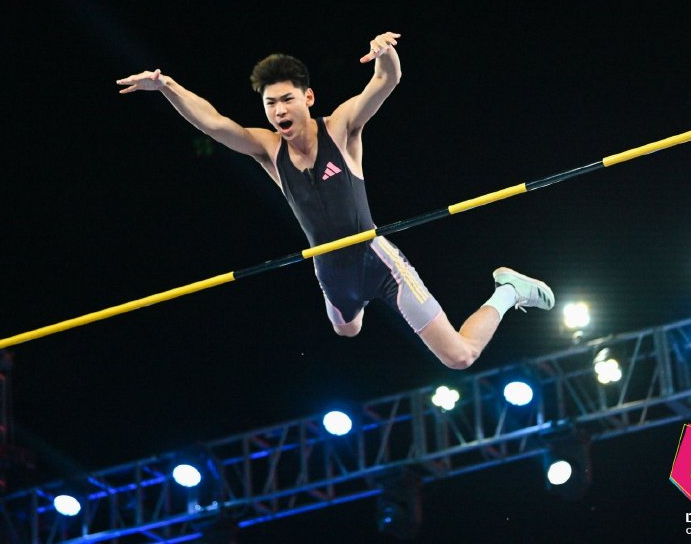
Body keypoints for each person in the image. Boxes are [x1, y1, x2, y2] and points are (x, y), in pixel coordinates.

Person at [116, 31, 554, 369]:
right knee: (347, 330)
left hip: (378, 264)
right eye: (270, 104)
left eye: (287, 100)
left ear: (307, 97)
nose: (278, 111)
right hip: (330, 270)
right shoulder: (268, 148)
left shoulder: (340, 128)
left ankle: (508, 290)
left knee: (459, 357)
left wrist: (384, 53)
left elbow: (385, 80)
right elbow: (213, 123)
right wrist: (167, 85)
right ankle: (353, 303)